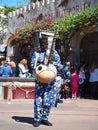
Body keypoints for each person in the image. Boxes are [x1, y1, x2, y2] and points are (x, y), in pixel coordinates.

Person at [31, 37, 61, 127]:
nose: (45, 46)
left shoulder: (53, 53)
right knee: (38, 100)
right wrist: (40, 64)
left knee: (48, 100)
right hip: (40, 81)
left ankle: (45, 118)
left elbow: (58, 63)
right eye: (43, 45)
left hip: (50, 81)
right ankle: (37, 119)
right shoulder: (36, 54)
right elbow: (32, 65)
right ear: (40, 45)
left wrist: (51, 63)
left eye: (46, 45)